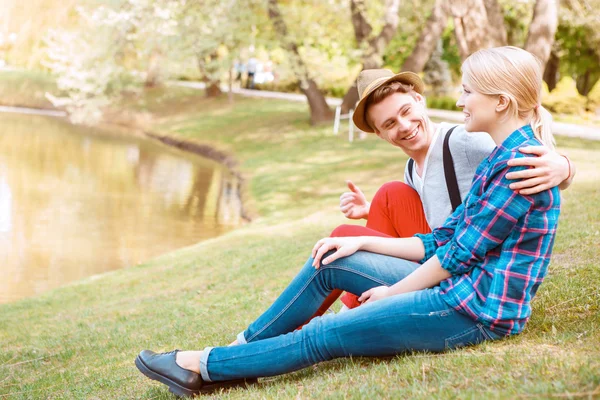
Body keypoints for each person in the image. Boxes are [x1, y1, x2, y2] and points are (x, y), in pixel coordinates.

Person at [135, 46, 562, 397]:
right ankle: (233, 358)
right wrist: (363, 242)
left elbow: (457, 253)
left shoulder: (512, 162)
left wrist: (392, 293)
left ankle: (200, 365)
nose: (459, 100)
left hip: (476, 311)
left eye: (468, 91)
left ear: (500, 102)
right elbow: (444, 239)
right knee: (336, 259)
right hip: (458, 292)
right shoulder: (501, 160)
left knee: (324, 334)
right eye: (388, 124)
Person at [307, 67, 574, 314]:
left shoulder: (463, 141)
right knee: (389, 196)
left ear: (420, 101)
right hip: (436, 250)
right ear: (380, 134)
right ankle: (352, 309)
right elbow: (428, 225)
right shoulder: (411, 169)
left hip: (464, 264)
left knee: (345, 232)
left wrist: (564, 167)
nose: (404, 126)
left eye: (406, 111)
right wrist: (372, 212)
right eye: (389, 124)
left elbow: (526, 154)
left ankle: (346, 312)